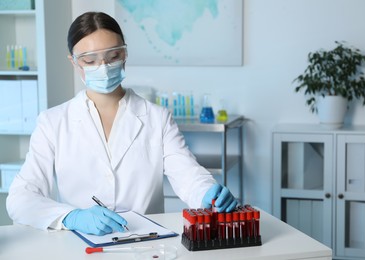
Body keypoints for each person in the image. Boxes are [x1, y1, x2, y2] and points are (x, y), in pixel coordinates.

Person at [6, 11, 237, 236]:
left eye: (113, 56)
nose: (104, 67)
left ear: (125, 54)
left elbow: (187, 175)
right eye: (90, 60)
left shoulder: (157, 118)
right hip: (79, 246)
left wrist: (207, 192)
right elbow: (20, 199)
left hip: (148, 245)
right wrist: (72, 216)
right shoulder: (53, 122)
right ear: (74, 62)